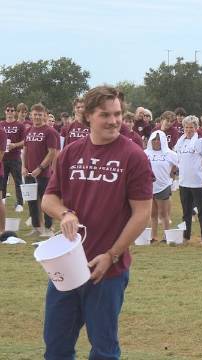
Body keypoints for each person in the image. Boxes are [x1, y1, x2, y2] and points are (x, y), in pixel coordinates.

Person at [41, 85, 152, 359]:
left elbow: (142, 214)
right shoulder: (71, 153)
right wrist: (65, 214)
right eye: (105, 114)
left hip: (107, 269)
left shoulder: (133, 155)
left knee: (103, 350)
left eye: (118, 114)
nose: (114, 121)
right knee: (56, 347)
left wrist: (112, 255)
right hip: (66, 267)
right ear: (88, 115)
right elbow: (48, 199)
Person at [174, 115, 202, 245]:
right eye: (186, 127)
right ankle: (186, 237)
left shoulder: (201, 142)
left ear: (196, 128)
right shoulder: (181, 142)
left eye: (191, 127)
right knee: (186, 212)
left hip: (198, 183)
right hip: (184, 182)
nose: (188, 129)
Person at [23, 103, 59, 237]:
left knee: (46, 202)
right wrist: (23, 166)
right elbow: (25, 151)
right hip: (29, 173)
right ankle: (36, 227)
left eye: (40, 114)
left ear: (44, 115)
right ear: (31, 115)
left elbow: (52, 152)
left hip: (43, 174)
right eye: (35, 114)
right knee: (32, 201)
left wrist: (41, 167)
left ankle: (49, 228)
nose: (37, 117)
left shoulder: (50, 132)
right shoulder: (28, 130)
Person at [145, 130, 178, 243]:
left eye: (159, 140)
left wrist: (173, 173)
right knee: (153, 214)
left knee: (163, 214)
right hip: (149, 187)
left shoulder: (170, 154)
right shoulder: (145, 153)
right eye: (154, 140)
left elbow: (179, 165)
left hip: (163, 186)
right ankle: (153, 237)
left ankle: (166, 236)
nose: (157, 142)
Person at [1, 102, 26, 212]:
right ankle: (3, 200)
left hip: (15, 157)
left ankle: (20, 203)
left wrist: (14, 145)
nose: (10, 112)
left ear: (15, 112)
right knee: (3, 180)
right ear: (5, 112)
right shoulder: (1, 124)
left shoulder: (20, 125)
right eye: (8, 110)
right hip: (2, 158)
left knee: (18, 181)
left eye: (12, 110)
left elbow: (25, 141)